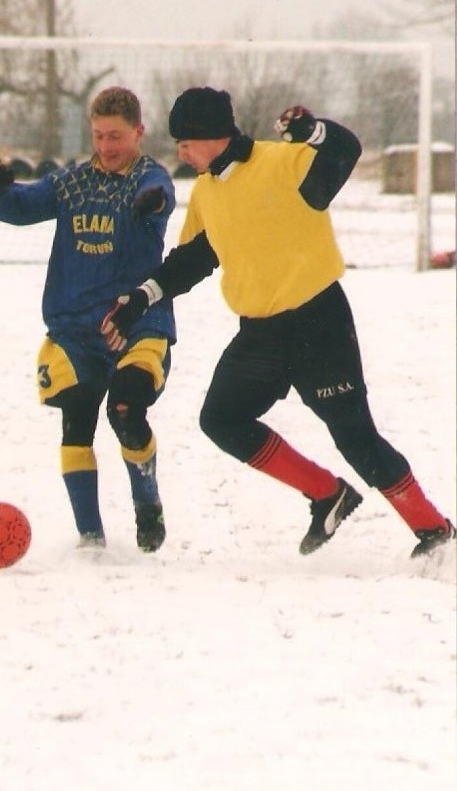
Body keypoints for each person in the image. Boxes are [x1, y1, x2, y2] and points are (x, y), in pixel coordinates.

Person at [101, 88, 455, 559]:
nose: (181, 153)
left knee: (355, 436)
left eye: (185, 142)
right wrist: (138, 300)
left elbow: (345, 149)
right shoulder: (207, 190)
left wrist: (313, 132)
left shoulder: (283, 162)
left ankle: (433, 529)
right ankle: (328, 494)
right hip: (259, 335)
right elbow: (190, 260)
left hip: (318, 324)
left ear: (211, 136)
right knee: (221, 419)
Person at [0, 86, 176, 551]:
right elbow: (21, 206)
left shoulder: (150, 177)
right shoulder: (71, 183)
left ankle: (147, 501)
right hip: (74, 330)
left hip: (137, 325)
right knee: (77, 421)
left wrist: (150, 205)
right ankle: (90, 537)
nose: (106, 147)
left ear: (139, 133)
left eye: (116, 137)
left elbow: (160, 194)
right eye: (98, 136)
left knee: (126, 413)